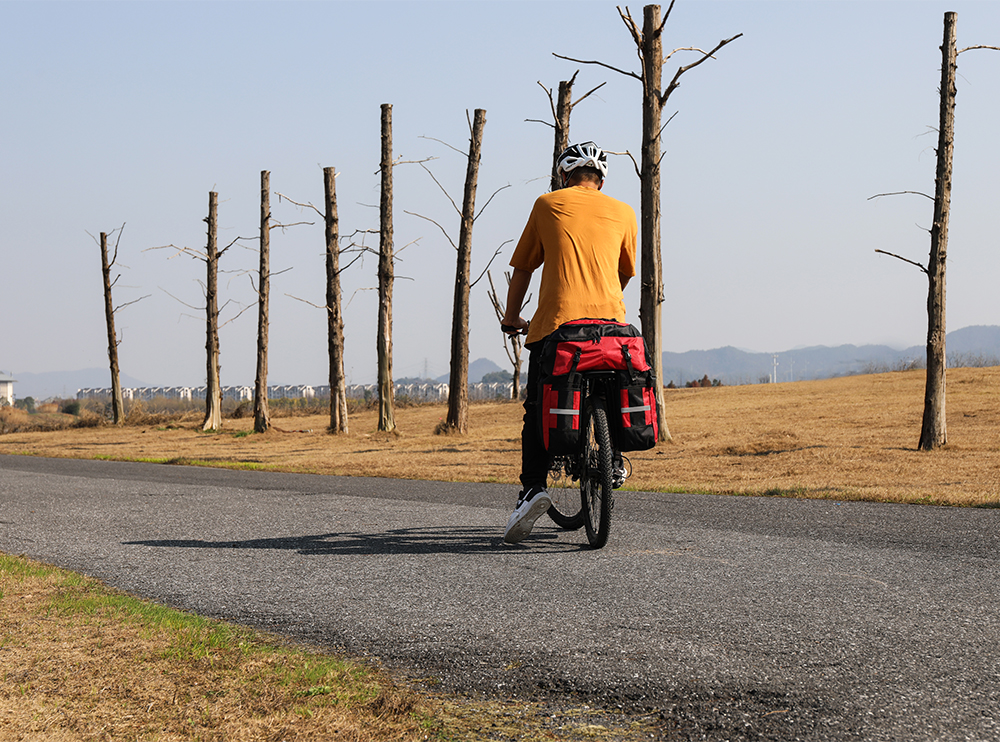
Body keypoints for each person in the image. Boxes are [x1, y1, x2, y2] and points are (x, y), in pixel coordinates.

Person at [501, 141, 638, 544]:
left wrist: (512, 318)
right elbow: (624, 273)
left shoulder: (547, 204)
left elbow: (524, 267)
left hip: (558, 328)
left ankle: (532, 490)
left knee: (535, 409)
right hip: (613, 329)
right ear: (601, 179)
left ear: (565, 175)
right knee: (611, 387)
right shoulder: (625, 212)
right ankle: (612, 461)